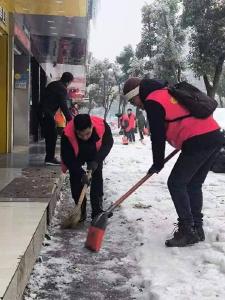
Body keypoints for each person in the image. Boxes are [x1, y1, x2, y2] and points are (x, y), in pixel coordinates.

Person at [123, 77, 224, 247]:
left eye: (134, 100)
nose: (136, 105)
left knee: (176, 183)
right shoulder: (167, 91)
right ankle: (196, 229)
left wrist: (158, 162)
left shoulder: (153, 100)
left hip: (198, 141)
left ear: (138, 93)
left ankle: (187, 230)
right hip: (214, 136)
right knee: (192, 184)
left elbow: (157, 136)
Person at [61, 114, 114, 220]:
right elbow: (68, 159)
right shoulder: (67, 133)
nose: (85, 137)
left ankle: (97, 210)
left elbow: (108, 143)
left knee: (97, 175)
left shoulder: (101, 125)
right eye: (81, 135)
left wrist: (96, 161)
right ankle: (80, 211)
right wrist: (81, 174)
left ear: (92, 126)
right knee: (75, 178)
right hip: (77, 155)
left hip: (94, 152)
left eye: (87, 133)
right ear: (75, 130)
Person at [41, 72, 73, 165]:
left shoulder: (53, 84)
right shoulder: (62, 88)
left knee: (49, 135)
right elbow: (63, 105)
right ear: (68, 82)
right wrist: (70, 119)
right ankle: (49, 158)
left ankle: (49, 157)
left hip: (41, 111)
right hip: (47, 113)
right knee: (52, 135)